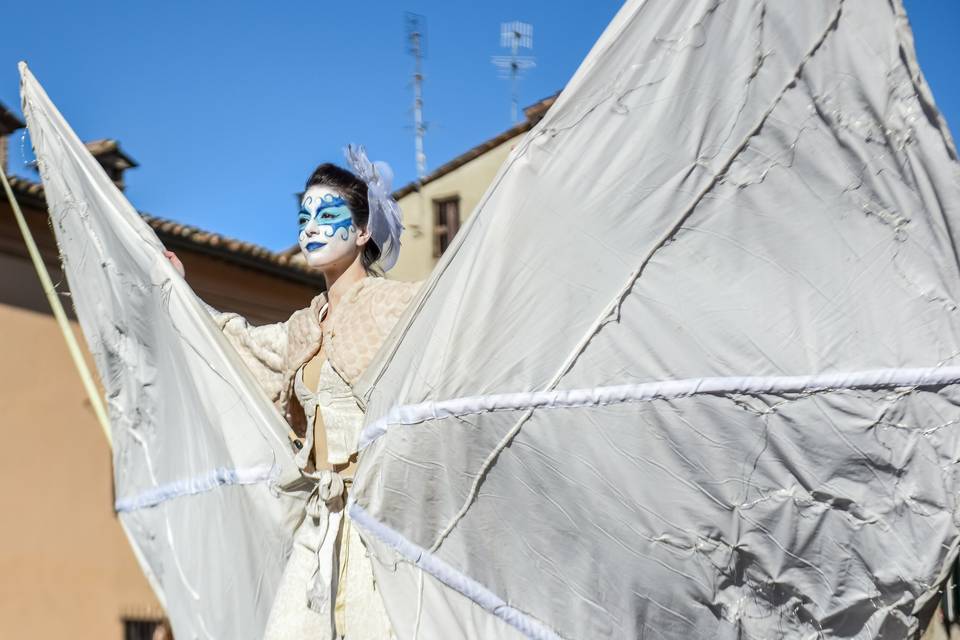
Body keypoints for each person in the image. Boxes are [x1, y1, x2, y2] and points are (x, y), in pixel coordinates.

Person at [165, 146, 417, 639]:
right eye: (304, 217)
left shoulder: (399, 306)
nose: (311, 228)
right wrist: (180, 294)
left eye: (328, 215)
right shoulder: (303, 328)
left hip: (382, 523)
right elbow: (237, 345)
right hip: (320, 521)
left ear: (363, 231)